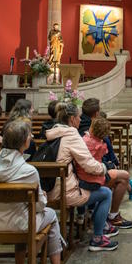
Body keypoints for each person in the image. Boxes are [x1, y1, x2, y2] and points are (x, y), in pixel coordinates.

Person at [0, 120, 64, 264]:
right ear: (26, 142)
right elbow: (39, 207)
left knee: (22, 212)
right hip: (19, 225)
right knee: (50, 215)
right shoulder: (29, 171)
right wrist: (43, 197)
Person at [45, 102, 118, 252]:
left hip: (50, 187)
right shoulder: (72, 135)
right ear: (72, 119)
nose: (80, 120)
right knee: (106, 193)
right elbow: (89, 164)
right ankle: (98, 238)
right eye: (78, 117)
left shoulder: (55, 131)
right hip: (64, 190)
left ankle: (94, 223)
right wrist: (105, 167)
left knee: (98, 189)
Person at [79, 116, 132, 229]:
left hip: (89, 175)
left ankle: (106, 215)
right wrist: (109, 167)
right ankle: (111, 216)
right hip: (90, 179)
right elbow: (96, 167)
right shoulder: (96, 144)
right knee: (123, 178)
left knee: (122, 177)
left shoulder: (87, 139)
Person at [78, 98, 121, 168]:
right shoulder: (96, 131)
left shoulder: (77, 125)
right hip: (97, 167)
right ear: (97, 113)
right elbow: (110, 158)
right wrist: (113, 164)